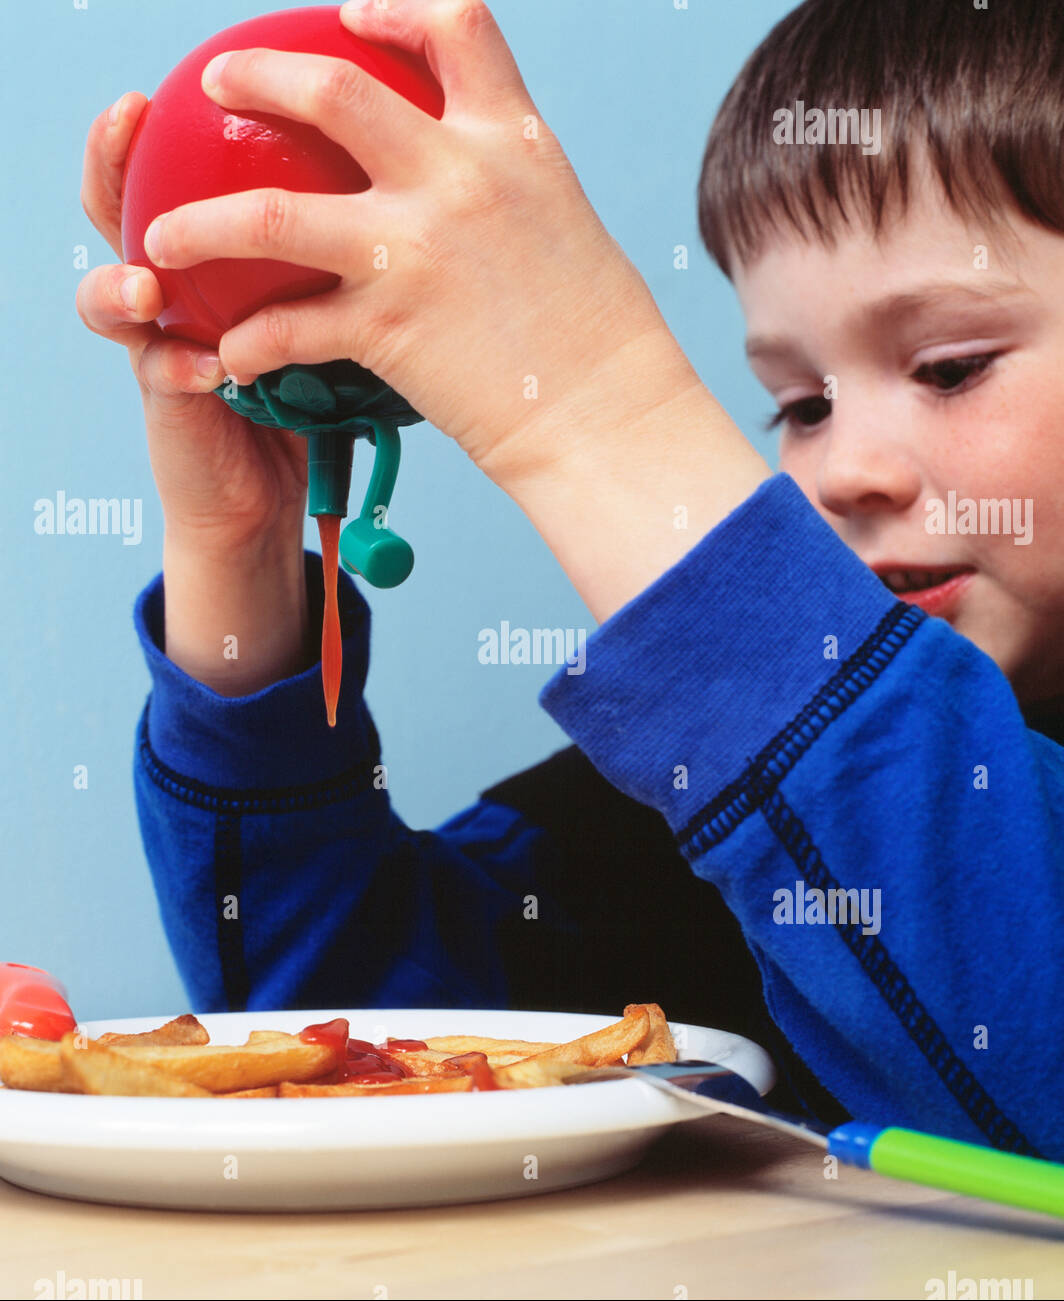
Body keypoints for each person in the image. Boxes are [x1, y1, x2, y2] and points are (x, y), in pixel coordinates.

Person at [77, 0, 1064, 1156]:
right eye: (798, 406)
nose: (840, 469)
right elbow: (352, 1026)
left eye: (947, 369)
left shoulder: (819, 755)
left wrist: (597, 404)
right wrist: (238, 548)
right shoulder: (710, 800)